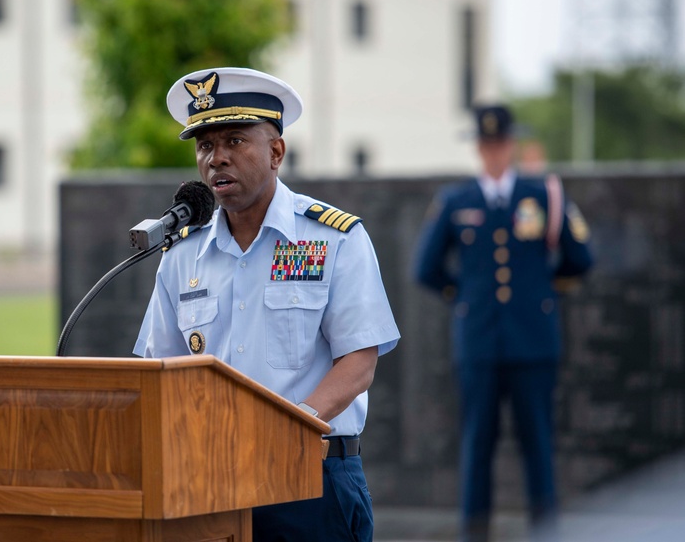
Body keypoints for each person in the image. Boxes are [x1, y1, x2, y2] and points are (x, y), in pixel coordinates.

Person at [134, 67, 401, 542]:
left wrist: (286, 430)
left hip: (310, 481)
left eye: (235, 141)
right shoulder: (181, 255)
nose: (217, 159)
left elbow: (359, 360)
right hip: (207, 481)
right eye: (205, 146)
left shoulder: (332, 238)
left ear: (276, 151)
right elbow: (159, 370)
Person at [413, 105, 593, 542]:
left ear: (510, 145)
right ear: (478, 148)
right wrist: (466, 297)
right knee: (478, 446)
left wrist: (542, 292)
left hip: (534, 341)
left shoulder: (543, 196)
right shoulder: (457, 202)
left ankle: (545, 532)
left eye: (500, 143)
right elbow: (426, 268)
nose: (493, 151)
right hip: (479, 344)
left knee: (538, 445)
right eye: (486, 144)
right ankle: (475, 534)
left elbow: (580, 258)